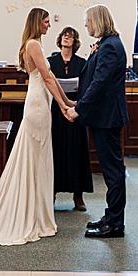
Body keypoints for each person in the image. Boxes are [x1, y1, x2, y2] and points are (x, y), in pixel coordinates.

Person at [0, 7, 75, 246]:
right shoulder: (33, 44)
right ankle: (31, 213)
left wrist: (66, 102)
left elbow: (51, 78)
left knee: (40, 158)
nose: (49, 25)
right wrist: (64, 108)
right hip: (37, 104)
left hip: (42, 101)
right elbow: (46, 77)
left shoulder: (36, 45)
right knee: (36, 158)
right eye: (46, 21)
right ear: (37, 22)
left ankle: (37, 211)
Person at [66, 4, 128, 238]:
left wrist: (79, 108)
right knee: (110, 170)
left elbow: (100, 83)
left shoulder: (110, 46)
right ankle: (110, 216)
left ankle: (115, 223)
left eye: (88, 21)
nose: (86, 25)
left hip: (107, 117)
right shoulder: (106, 44)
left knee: (113, 172)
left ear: (98, 21)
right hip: (102, 115)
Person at [48, 26, 93, 211]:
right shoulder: (51, 61)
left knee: (77, 150)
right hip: (56, 110)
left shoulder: (82, 63)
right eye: (65, 36)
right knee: (55, 149)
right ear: (60, 39)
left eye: (71, 37)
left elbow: (87, 85)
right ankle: (51, 194)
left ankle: (78, 196)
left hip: (75, 108)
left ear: (75, 42)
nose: (67, 38)